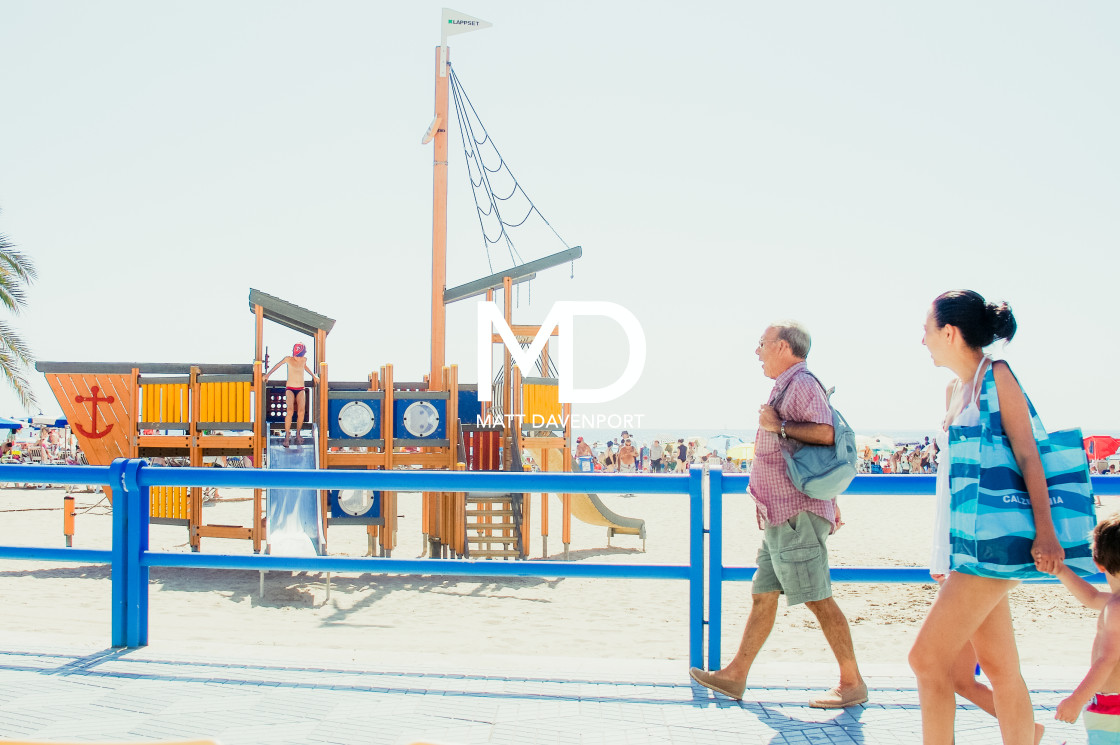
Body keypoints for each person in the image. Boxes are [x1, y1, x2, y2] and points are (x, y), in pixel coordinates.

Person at [910, 290, 1062, 744]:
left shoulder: (998, 378)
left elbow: (1029, 456)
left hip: (991, 547)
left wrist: (1047, 535)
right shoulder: (956, 390)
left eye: (927, 331)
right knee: (998, 667)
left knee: (927, 660)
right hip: (965, 546)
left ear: (950, 332)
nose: (923, 341)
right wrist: (944, 551)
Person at [690, 320, 867, 709]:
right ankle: (735, 677)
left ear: (784, 347)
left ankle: (852, 682)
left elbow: (825, 433)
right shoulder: (788, 384)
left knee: (817, 597)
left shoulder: (802, 383)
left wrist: (779, 424)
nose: (757, 351)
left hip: (796, 514)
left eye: (762, 344)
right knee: (763, 595)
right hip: (781, 515)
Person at [1047, 513, 1120, 737]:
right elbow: (1091, 597)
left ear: (1097, 563)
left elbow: (1107, 659)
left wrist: (1076, 699)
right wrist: (1060, 570)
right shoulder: (1113, 602)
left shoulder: (1116, 608)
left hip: (1112, 709)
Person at [265, 343, 320, 447]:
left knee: (301, 411)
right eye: (296, 355)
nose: (297, 358)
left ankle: (298, 434)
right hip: (290, 388)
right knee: (289, 410)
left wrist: (314, 376)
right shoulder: (288, 359)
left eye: (299, 356)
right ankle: (286, 436)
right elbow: (277, 365)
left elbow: (305, 367)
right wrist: (268, 375)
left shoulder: (304, 360)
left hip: (301, 388)